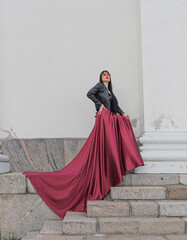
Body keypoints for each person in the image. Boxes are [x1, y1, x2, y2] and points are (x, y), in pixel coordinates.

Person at [22, 70, 144, 219]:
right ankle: (108, 170)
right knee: (106, 146)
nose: (106, 75)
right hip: (104, 120)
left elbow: (115, 107)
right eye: (104, 74)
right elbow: (89, 94)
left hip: (110, 120)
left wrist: (122, 113)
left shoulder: (110, 91)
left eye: (108, 74)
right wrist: (99, 105)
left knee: (116, 134)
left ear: (110, 77)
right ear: (101, 76)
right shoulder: (99, 87)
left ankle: (113, 166)